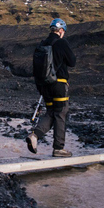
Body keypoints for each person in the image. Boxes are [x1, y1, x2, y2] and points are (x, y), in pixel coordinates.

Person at [27, 18, 76, 157]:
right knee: (61, 113)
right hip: (59, 84)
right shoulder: (61, 42)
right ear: (61, 30)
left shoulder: (42, 44)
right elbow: (72, 62)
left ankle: (35, 135)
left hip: (44, 86)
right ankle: (58, 148)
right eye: (63, 31)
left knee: (51, 112)